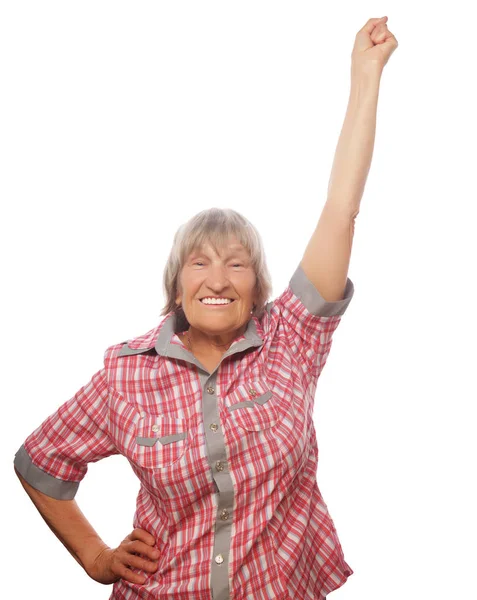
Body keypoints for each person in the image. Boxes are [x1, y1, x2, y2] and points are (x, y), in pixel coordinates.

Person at [13, 16, 398, 600]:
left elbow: (341, 208)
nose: (217, 278)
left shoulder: (291, 338)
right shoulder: (126, 374)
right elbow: (40, 462)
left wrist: (365, 74)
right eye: (200, 263)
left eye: (236, 263)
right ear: (176, 285)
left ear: (258, 285)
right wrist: (94, 556)